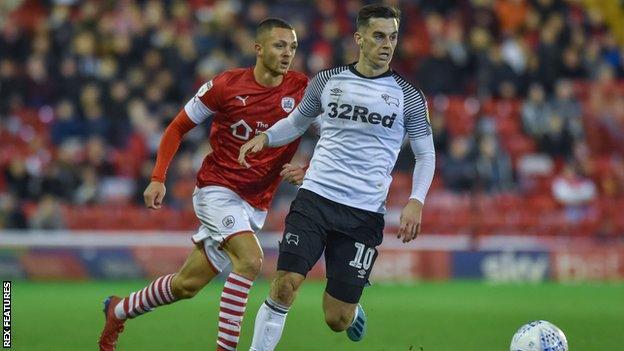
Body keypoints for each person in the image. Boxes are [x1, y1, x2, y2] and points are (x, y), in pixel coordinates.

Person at [98, 18, 310, 351]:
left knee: (186, 285)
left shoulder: (302, 89)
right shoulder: (225, 86)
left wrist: (309, 167)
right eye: (280, 45)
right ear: (259, 48)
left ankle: (119, 309)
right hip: (217, 189)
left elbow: (334, 135)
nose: (288, 53)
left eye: (293, 47)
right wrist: (157, 178)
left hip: (256, 203)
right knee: (251, 260)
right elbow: (177, 128)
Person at [238, 4, 435, 350]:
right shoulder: (328, 81)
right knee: (285, 283)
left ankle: (353, 309)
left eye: (392, 37)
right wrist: (266, 137)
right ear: (359, 38)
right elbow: (298, 122)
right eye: (378, 36)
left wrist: (416, 200)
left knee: (336, 319)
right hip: (315, 198)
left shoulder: (409, 97)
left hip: (363, 213)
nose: (387, 44)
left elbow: (425, 154)